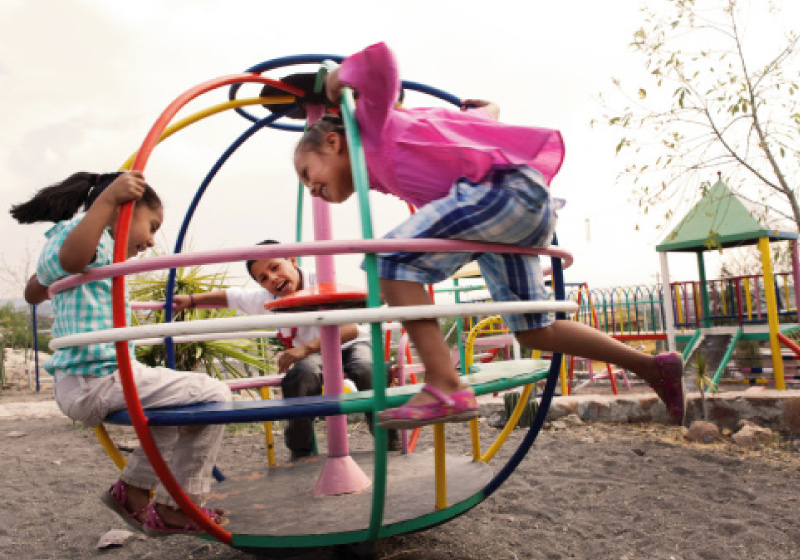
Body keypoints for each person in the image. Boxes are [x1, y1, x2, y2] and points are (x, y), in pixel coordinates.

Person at [292, 42, 687, 429]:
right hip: (513, 210)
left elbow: (382, 64)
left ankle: (444, 384)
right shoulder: (385, 164)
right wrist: (491, 113)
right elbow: (467, 132)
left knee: (389, 262)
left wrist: (338, 81)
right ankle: (652, 366)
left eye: (308, 174)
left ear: (332, 141)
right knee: (535, 329)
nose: (311, 189)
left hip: (505, 195)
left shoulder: (372, 126)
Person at [10, 170, 232, 537]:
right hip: (94, 380)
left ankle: (131, 491)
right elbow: (70, 259)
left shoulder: (96, 256)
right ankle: (178, 507)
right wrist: (108, 200)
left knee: (170, 412)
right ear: (123, 210)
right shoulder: (83, 241)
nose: (151, 240)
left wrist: (44, 281)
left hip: (93, 378)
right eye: (152, 225)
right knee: (215, 393)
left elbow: (35, 291)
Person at [172, 240, 400, 459]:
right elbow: (230, 297)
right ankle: (301, 448)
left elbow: (349, 329)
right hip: (315, 354)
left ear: (292, 260)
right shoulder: (267, 299)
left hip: (350, 342)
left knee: (366, 367)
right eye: (263, 278)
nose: (273, 278)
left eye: (275, 267)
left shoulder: (320, 278)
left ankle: (387, 434)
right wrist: (190, 299)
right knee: (301, 375)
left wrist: (305, 348)